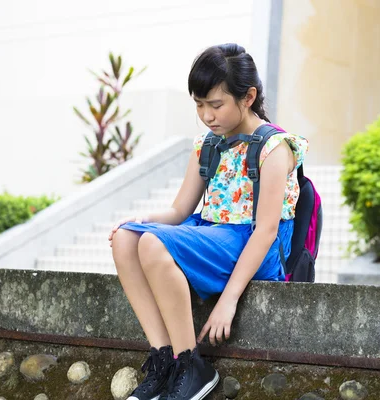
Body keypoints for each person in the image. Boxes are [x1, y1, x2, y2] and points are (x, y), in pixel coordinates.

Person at [108, 43, 308, 400]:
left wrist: (228, 301)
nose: (207, 115)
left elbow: (265, 233)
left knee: (153, 243)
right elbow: (178, 211)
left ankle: (192, 366)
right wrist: (141, 220)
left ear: (248, 97)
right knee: (126, 238)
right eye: (199, 105)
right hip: (213, 234)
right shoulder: (209, 145)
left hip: (254, 245)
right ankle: (165, 359)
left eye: (215, 105)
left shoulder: (274, 149)